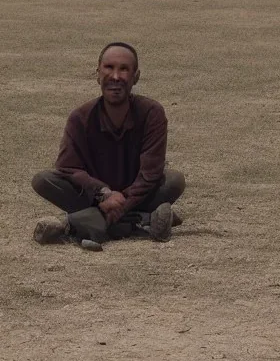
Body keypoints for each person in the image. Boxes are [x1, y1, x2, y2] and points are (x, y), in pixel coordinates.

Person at [31, 42, 185, 250]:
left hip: (136, 195)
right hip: (95, 197)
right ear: (98, 73)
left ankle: (77, 224)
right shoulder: (80, 117)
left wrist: (122, 202)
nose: (115, 76)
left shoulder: (151, 113)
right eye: (109, 67)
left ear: (136, 76)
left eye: (124, 69)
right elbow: (68, 167)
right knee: (43, 181)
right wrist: (103, 193)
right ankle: (144, 220)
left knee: (174, 180)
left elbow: (150, 173)